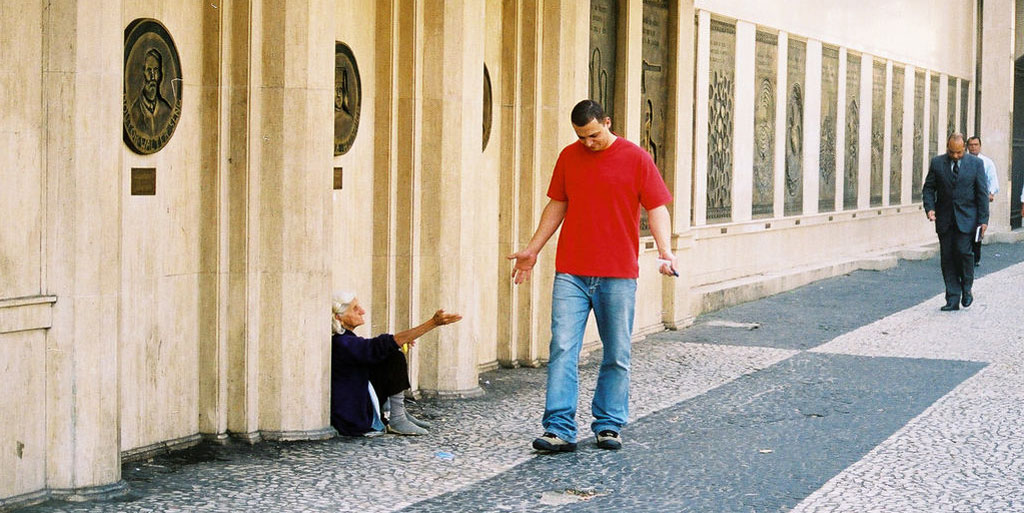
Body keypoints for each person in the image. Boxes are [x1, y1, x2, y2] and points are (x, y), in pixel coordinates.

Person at [507, 99, 675, 452]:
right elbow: (557, 204)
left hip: (617, 273)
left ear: (607, 122)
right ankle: (559, 428)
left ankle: (609, 424)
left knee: (616, 352)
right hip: (572, 271)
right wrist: (532, 250)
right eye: (581, 136)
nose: (588, 142)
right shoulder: (569, 157)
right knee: (562, 348)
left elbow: (656, 207)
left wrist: (665, 251)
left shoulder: (636, 158)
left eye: (594, 135)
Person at [330, 292, 462, 436]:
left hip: (357, 402)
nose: (362, 311)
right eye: (355, 308)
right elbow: (378, 346)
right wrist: (433, 323)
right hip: (351, 415)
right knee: (393, 355)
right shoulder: (342, 342)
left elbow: (376, 349)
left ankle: (398, 413)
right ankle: (397, 419)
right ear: (339, 317)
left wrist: (397, 344)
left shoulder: (345, 340)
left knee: (391, 354)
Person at [923, 133, 989, 311]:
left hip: (967, 218)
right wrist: (930, 208)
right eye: (952, 152)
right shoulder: (937, 163)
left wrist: (983, 220)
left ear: (964, 149)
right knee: (947, 258)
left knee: (964, 253)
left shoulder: (976, 164)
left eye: (959, 152)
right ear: (947, 148)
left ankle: (966, 288)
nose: (955, 156)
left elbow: (982, 193)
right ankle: (952, 298)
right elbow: (928, 188)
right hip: (944, 219)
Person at [966, 136, 998, 266]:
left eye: (976, 144)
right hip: (967, 200)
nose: (973, 147)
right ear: (967, 146)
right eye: (971, 145)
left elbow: (992, 179)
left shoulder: (987, 162)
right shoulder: (963, 161)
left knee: (978, 228)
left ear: (980, 146)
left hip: (980, 200)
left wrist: (991, 193)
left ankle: (976, 256)